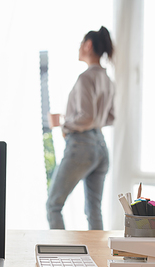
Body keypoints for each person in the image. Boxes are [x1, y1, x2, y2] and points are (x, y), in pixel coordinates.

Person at [46, 26, 115, 230]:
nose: (78, 49)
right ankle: (99, 259)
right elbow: (110, 117)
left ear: (88, 45)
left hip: (82, 145)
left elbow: (87, 116)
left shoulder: (85, 78)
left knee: (53, 205)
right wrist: (83, 119)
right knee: (94, 209)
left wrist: (63, 123)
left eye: (80, 44)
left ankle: (58, 259)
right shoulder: (108, 80)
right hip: (101, 147)